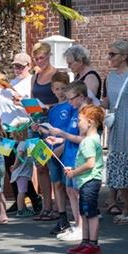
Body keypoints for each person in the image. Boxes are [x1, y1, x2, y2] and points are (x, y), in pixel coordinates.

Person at [42, 80, 92, 242]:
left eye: (71, 98)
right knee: (70, 191)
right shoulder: (76, 112)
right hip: (69, 156)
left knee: (77, 193)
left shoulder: (86, 114)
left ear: (81, 96)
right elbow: (72, 136)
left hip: (79, 157)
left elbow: (84, 139)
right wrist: (58, 140)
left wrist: (61, 135)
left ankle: (83, 227)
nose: (69, 102)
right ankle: (77, 225)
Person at [102, 39, 128, 225]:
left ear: (125, 56)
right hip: (115, 126)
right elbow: (108, 102)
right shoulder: (110, 77)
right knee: (119, 169)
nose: (109, 57)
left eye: (113, 54)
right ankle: (126, 208)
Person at [63, 104, 106, 254]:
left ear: (90, 121)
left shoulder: (88, 141)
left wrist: (74, 172)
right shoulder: (93, 138)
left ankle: (93, 244)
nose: (77, 124)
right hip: (87, 181)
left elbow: (90, 163)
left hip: (89, 181)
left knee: (90, 213)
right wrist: (74, 169)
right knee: (85, 212)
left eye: (80, 120)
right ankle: (85, 242)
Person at [40, 71, 74, 236]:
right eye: (57, 89)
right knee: (57, 184)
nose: (60, 92)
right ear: (53, 90)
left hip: (66, 149)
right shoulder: (52, 110)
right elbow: (50, 130)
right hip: (52, 151)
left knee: (69, 185)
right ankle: (62, 218)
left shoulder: (71, 107)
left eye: (63, 88)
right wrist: (40, 129)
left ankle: (78, 218)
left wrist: (63, 146)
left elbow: (72, 131)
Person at [9, 123, 35, 217]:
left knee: (22, 191)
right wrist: (15, 166)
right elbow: (19, 156)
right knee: (22, 192)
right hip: (21, 173)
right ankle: (20, 211)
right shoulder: (23, 144)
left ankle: (23, 208)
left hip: (21, 172)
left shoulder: (22, 143)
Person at [29, 42, 60, 107]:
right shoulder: (34, 78)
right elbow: (32, 104)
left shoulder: (58, 75)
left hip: (54, 112)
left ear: (48, 56)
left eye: (41, 58)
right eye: (36, 59)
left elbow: (65, 101)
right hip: (37, 113)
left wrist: (45, 107)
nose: (39, 61)